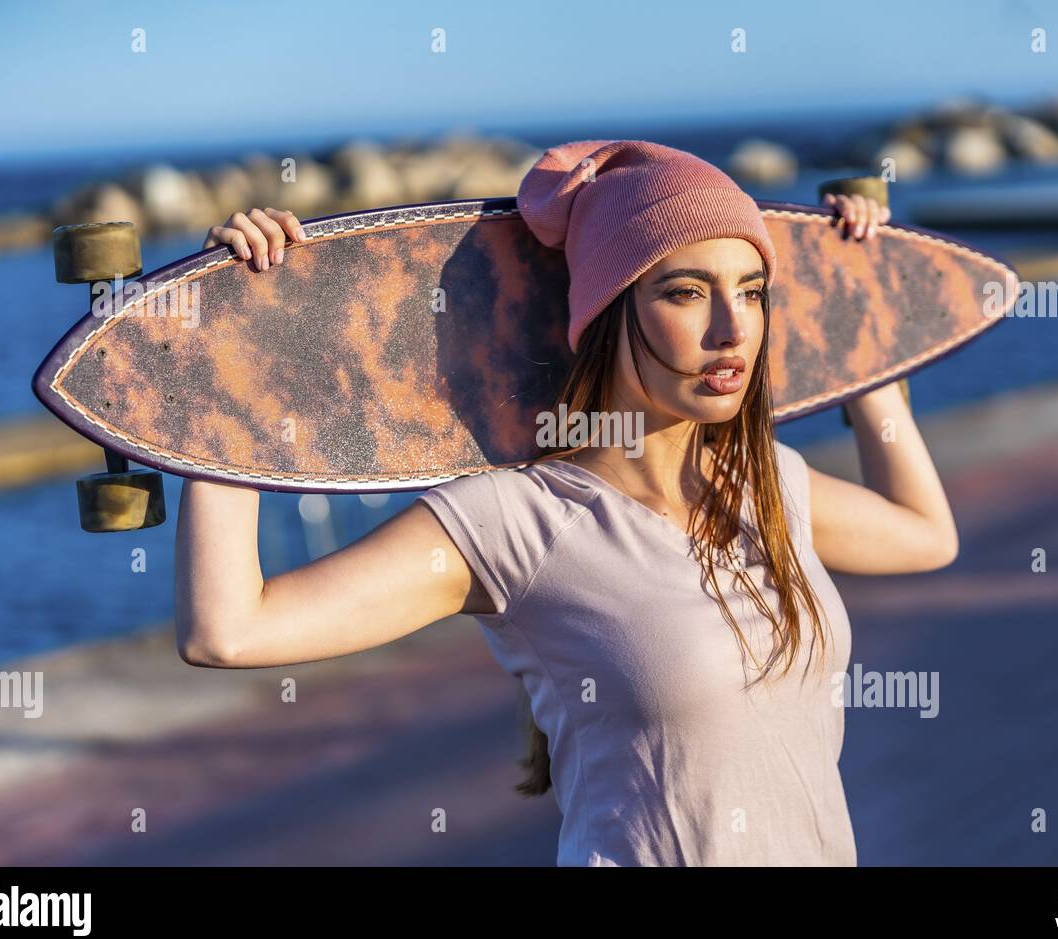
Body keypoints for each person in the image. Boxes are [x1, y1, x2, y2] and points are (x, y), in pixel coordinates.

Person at [177, 139, 958, 866]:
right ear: (610, 308)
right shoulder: (514, 522)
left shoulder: (768, 483)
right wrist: (239, 363)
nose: (732, 330)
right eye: (686, 293)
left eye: (750, 292)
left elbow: (927, 538)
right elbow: (228, 631)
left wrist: (872, 339)